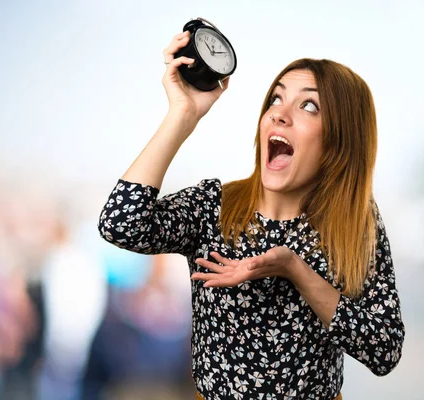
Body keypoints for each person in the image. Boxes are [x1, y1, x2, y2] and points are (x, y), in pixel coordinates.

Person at [98, 30, 405, 400]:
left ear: (340, 139)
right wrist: (183, 114)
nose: (279, 114)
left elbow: (384, 351)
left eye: (309, 106)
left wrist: (297, 271)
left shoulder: (356, 225)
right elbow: (119, 224)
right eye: (276, 99)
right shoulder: (215, 206)